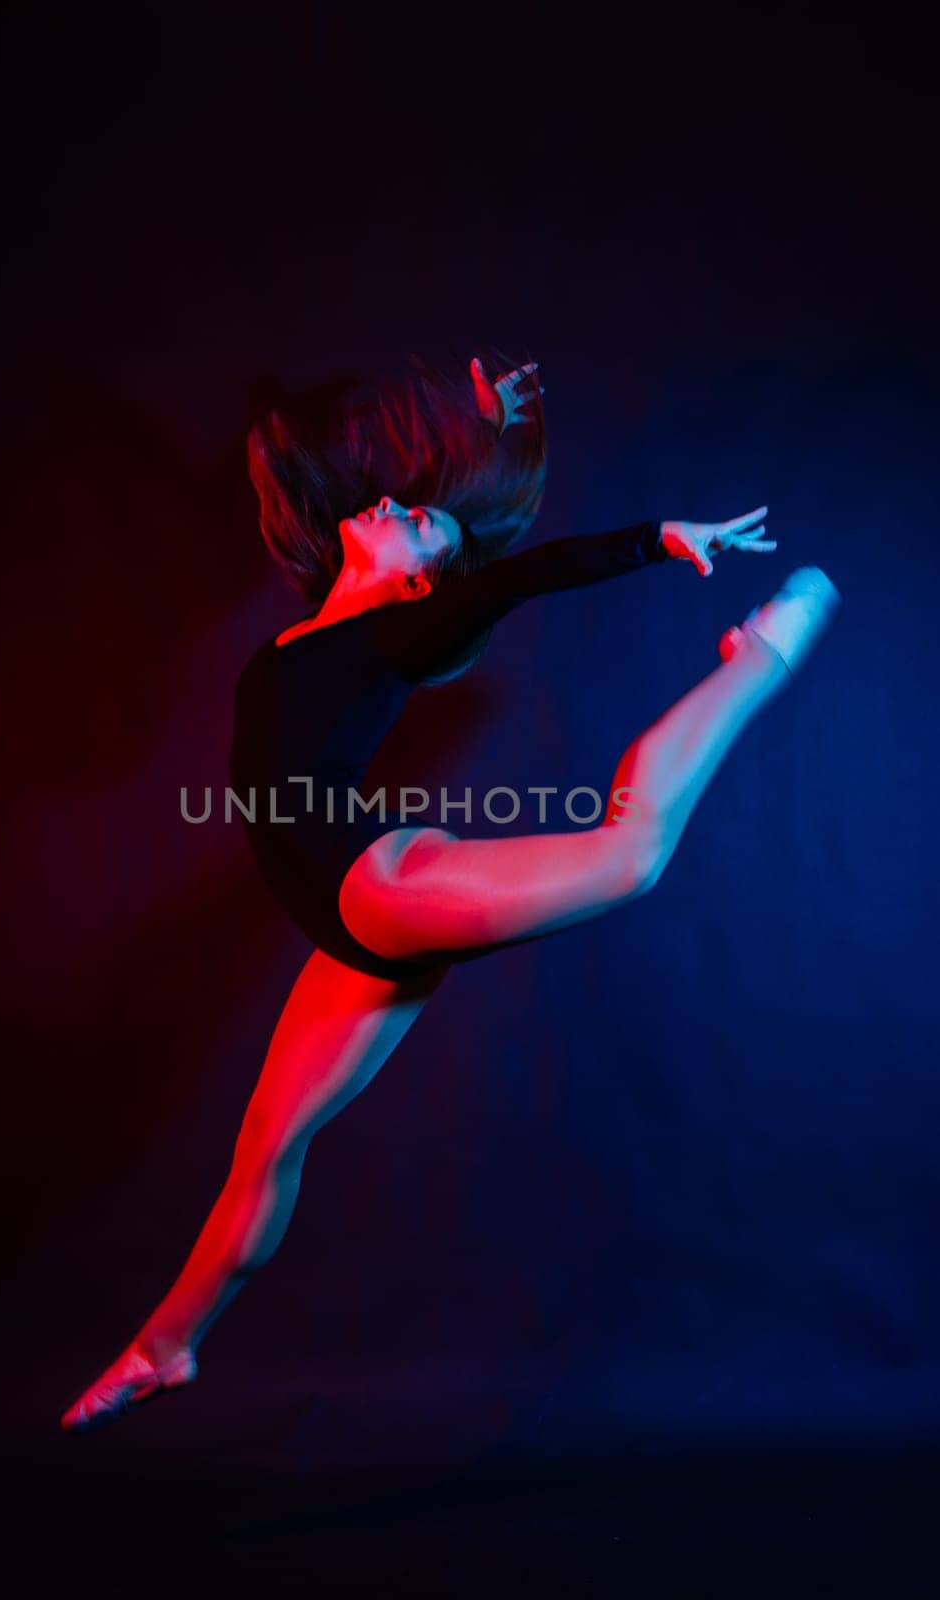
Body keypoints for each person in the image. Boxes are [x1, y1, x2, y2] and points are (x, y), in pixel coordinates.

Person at [61, 352, 840, 1431]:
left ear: (426, 582)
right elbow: (366, 489)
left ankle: (757, 655)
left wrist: (656, 538)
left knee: (626, 853)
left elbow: (514, 574)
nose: (395, 506)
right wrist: (495, 435)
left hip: (382, 887)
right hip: (349, 938)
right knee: (267, 1150)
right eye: (398, 504)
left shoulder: (398, 631)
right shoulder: (317, 632)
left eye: (422, 522)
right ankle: (167, 1345)